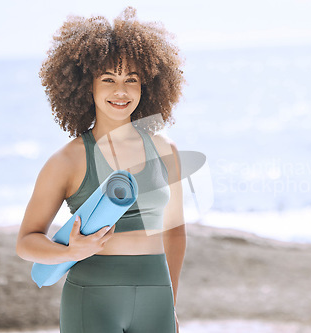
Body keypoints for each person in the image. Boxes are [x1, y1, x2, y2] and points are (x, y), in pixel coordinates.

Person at [16, 7, 186, 333]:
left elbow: (175, 234)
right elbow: (26, 242)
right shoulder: (67, 161)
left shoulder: (166, 150)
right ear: (87, 86)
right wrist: (71, 249)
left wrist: (171, 303)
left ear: (146, 85)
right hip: (91, 298)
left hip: (157, 298)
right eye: (108, 79)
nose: (120, 91)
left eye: (131, 80)